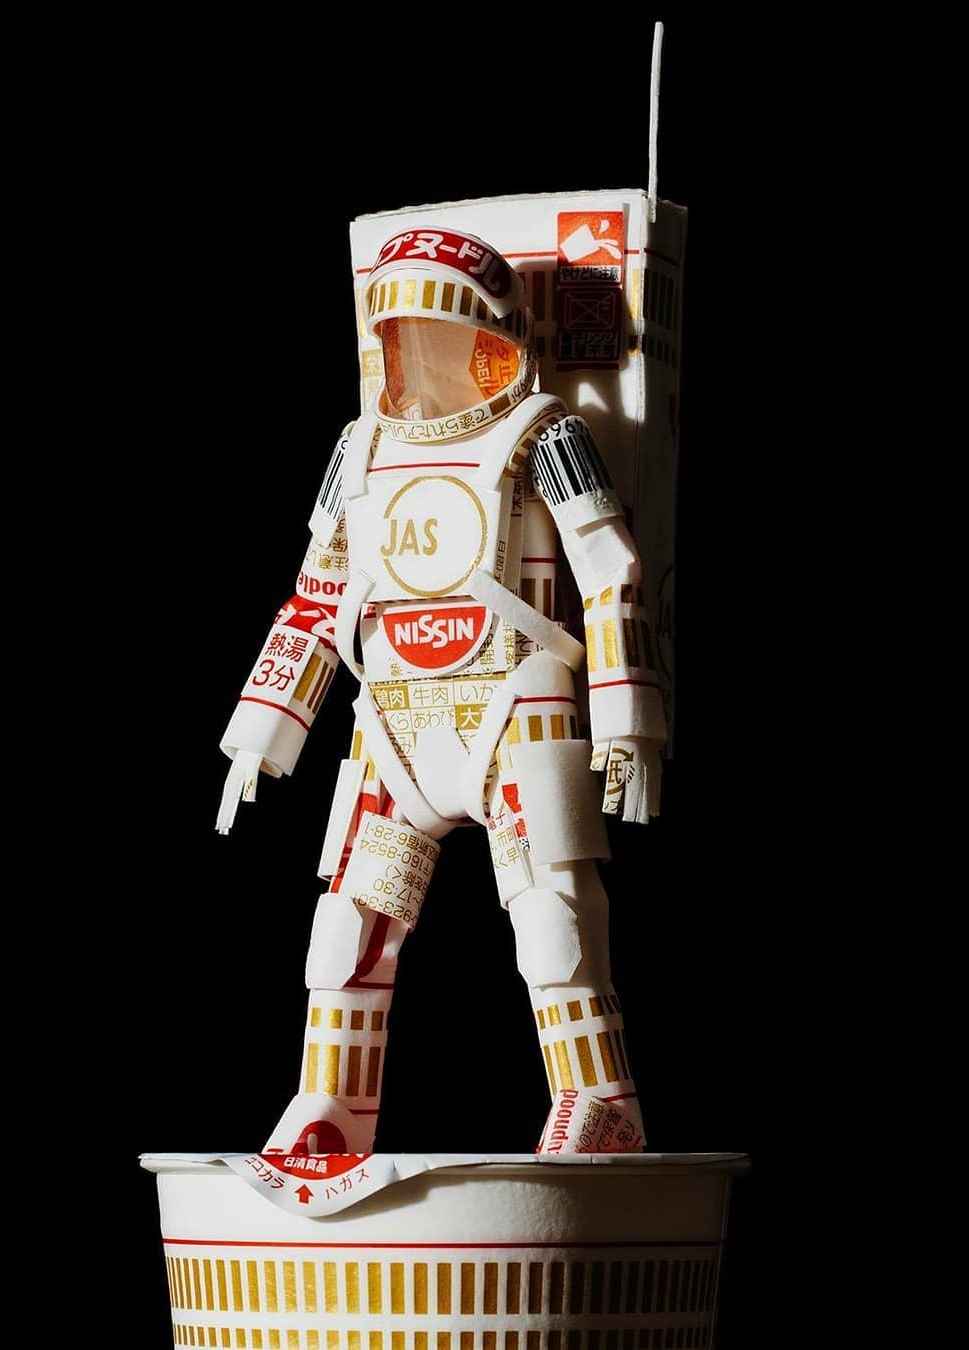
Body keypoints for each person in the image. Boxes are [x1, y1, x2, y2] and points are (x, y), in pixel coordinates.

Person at [216, 226, 665, 1156]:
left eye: (446, 332)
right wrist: (263, 727)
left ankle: (599, 1100)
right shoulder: (360, 450)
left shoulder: (547, 435)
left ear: (494, 337)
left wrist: (628, 717)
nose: (423, 352)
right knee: (349, 928)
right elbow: (319, 593)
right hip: (394, 721)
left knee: (552, 916)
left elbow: (609, 572)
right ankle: (329, 1104)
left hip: (518, 703)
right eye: (404, 335)